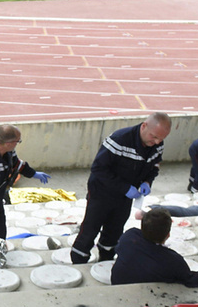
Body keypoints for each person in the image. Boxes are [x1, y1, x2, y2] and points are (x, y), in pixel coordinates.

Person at [70, 112, 171, 264]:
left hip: (126, 197)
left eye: (161, 139)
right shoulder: (119, 140)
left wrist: (147, 182)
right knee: (91, 228)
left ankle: (106, 259)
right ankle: (79, 259)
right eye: (154, 136)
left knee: (115, 230)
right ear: (144, 126)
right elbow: (98, 169)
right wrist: (124, 187)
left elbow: (154, 167)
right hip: (102, 192)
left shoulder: (157, 145)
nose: (157, 142)